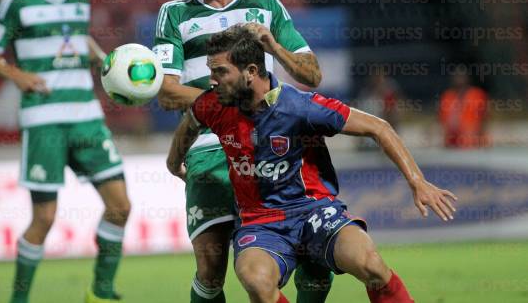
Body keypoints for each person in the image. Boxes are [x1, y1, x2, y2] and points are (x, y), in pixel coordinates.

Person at [167, 25, 458, 303]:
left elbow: (379, 127)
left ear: (251, 72)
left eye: (219, 72)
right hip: (260, 221)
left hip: (313, 211)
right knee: (255, 281)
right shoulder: (213, 104)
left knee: (371, 264)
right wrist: (173, 163)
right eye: (210, 72)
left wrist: (417, 181)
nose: (211, 81)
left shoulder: (300, 107)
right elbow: (190, 122)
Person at [153, 0, 331, 303]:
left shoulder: (265, 5)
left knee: (311, 259)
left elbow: (312, 75)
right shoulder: (174, 14)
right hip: (209, 146)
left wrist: (273, 47)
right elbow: (167, 92)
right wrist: (227, 102)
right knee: (210, 267)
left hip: (272, 146)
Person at [0, 0, 130, 303]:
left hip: (87, 118)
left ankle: (101, 290)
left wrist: (106, 60)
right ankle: (18, 299)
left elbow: (79, 37)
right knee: (44, 219)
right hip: (44, 121)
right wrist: (18, 75)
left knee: (120, 206)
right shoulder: (15, 2)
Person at [439, 66, 489, 148]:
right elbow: (443, 122)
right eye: (457, 76)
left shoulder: (477, 95)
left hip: (472, 143)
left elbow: (484, 119)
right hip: (453, 143)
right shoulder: (447, 96)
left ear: (467, 78)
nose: (459, 79)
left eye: (462, 76)